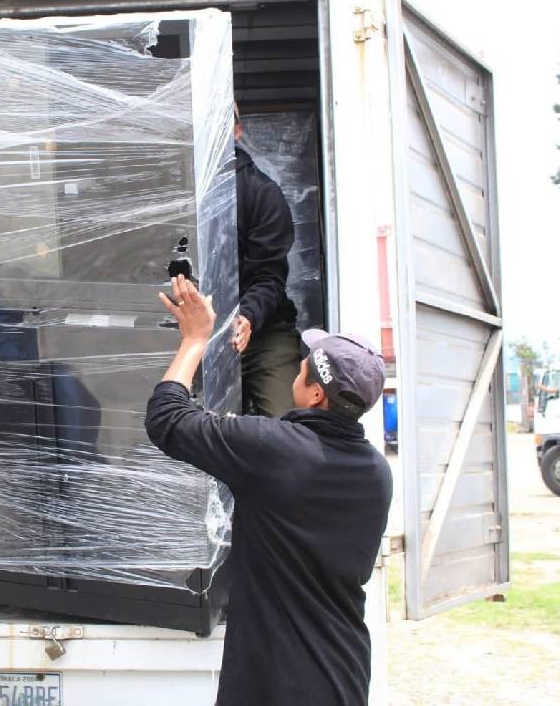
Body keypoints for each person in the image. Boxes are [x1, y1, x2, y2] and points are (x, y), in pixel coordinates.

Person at [145, 275, 393, 706]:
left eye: (303, 367)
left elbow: (166, 419)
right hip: (342, 676)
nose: (296, 367)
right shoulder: (376, 472)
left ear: (315, 393)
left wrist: (194, 340)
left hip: (272, 683)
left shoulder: (272, 449)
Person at [232, 103, 302, 416]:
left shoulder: (262, 194)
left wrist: (248, 316)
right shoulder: (176, 191)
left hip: (262, 331)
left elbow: (269, 277)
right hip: (193, 331)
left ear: (237, 130)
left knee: (288, 422)